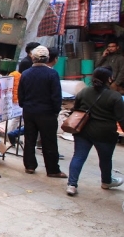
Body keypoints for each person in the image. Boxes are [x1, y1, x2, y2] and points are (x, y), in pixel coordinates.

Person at [66, 67, 124, 196]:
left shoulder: (84, 92)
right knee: (105, 159)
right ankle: (106, 181)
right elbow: (121, 118)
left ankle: (71, 185)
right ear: (109, 79)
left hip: (83, 130)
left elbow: (75, 109)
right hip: (105, 133)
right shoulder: (115, 96)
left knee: (79, 156)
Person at [18, 46, 66, 177]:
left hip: (29, 111)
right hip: (47, 113)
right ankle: (52, 170)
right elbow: (56, 96)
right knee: (49, 141)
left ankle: (30, 166)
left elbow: (20, 94)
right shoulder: (52, 74)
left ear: (33, 58)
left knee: (29, 139)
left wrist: (25, 105)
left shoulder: (26, 73)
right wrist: (56, 111)